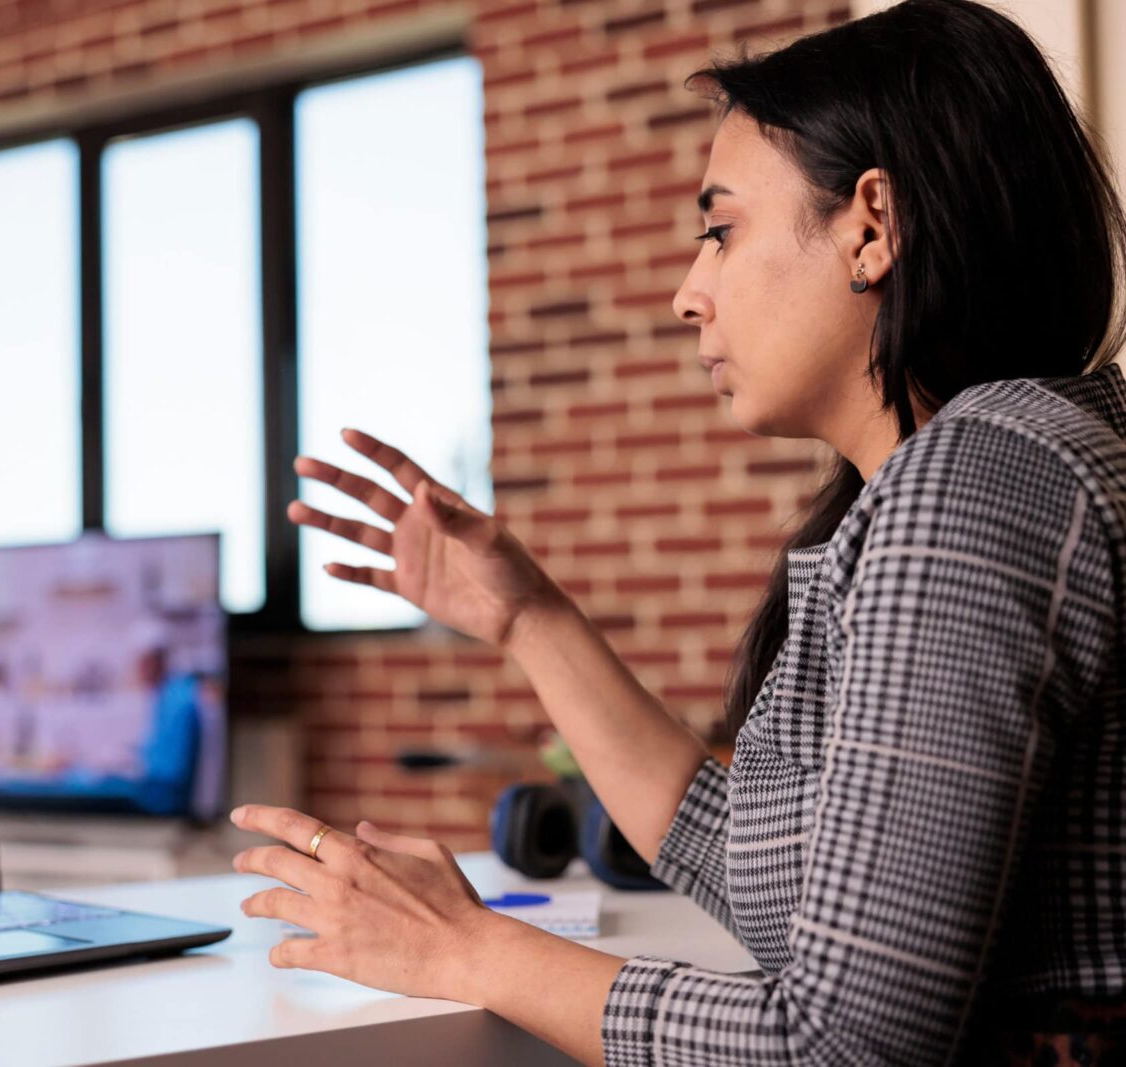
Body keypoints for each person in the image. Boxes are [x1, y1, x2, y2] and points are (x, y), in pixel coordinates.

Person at [225, 3, 1126, 1065]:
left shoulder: (974, 485)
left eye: (720, 228)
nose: (686, 292)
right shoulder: (1003, 459)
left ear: (870, 226)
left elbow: (838, 1046)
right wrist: (529, 618)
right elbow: (747, 863)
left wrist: (464, 947)